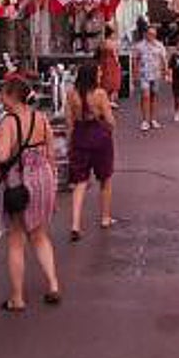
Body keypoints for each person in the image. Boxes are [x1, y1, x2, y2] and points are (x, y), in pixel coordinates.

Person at [0, 73, 60, 311]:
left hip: (19, 184)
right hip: (43, 178)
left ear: (12, 96)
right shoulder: (41, 118)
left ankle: (17, 298)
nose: (0, 97)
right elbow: (52, 153)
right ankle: (53, 284)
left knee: (16, 240)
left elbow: (1, 156)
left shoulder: (8, 123)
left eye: (3, 93)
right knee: (40, 235)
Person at [65, 63, 116, 241]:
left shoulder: (71, 94)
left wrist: (70, 143)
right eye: (99, 72)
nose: (101, 74)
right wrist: (109, 128)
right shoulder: (100, 94)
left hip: (80, 136)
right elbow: (110, 120)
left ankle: (75, 224)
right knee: (105, 179)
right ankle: (105, 217)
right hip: (99, 137)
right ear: (93, 75)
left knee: (80, 182)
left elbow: (69, 122)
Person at [133, 25, 169, 131]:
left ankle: (153, 119)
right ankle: (145, 120)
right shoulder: (139, 46)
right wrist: (135, 72)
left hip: (156, 74)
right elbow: (135, 59)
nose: (152, 36)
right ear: (145, 34)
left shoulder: (159, 45)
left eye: (154, 34)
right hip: (144, 74)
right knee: (145, 96)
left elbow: (164, 59)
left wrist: (166, 71)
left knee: (154, 97)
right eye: (150, 34)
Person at [96, 25, 122, 107]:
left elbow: (98, 53)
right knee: (114, 81)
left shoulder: (102, 43)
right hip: (112, 63)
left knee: (105, 80)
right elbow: (115, 55)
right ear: (111, 34)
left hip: (103, 63)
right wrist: (118, 64)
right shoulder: (112, 43)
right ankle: (111, 100)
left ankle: (105, 99)